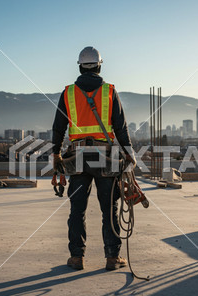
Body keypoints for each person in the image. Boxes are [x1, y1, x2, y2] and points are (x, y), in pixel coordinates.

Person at [52, 46, 135, 271]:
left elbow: (58, 128)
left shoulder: (68, 93)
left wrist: (56, 154)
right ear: (99, 65)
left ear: (80, 66)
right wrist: (129, 153)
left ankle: (77, 257)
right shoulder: (109, 91)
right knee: (109, 208)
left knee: (77, 209)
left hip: (78, 157)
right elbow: (121, 127)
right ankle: (112, 258)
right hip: (104, 157)